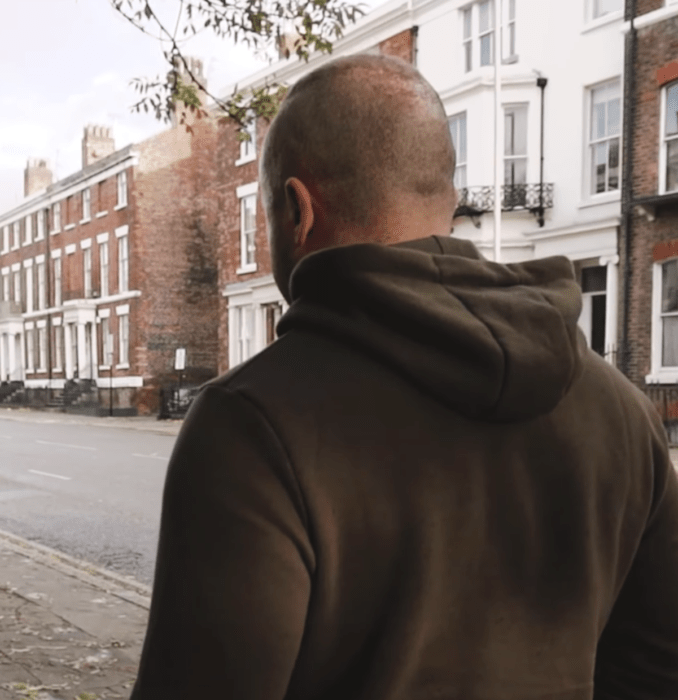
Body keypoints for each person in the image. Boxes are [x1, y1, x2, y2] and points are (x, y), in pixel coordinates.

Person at [130, 55, 678, 699]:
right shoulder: (621, 410)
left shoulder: (249, 427)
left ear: (296, 211)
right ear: (447, 199)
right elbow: (657, 666)